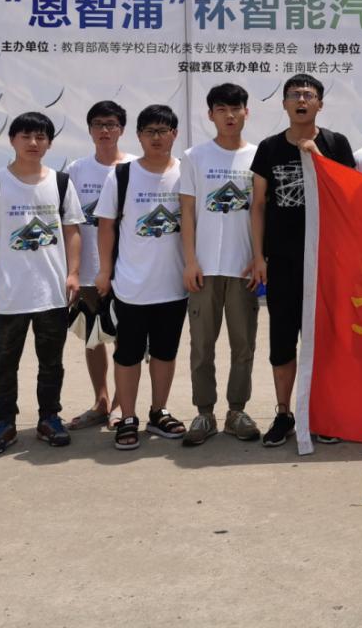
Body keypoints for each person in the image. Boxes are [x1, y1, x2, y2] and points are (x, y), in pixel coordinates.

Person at [246, 75, 355, 447]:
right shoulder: (270, 148)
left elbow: (348, 194)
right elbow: (258, 205)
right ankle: (284, 413)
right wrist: (259, 256)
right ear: (285, 104)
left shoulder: (336, 144)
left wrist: (317, 157)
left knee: (322, 340)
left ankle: (321, 412)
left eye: (309, 95)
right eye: (295, 95)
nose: (302, 100)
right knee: (282, 339)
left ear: (320, 104)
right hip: (282, 260)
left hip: (325, 260)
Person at [0, 112, 83, 455]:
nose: (33, 143)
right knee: (6, 363)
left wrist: (73, 273)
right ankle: (5, 423)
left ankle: (49, 418)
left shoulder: (60, 182)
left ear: (49, 143)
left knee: (52, 363)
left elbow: (72, 231)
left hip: (52, 293)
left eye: (40, 137)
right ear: (12, 140)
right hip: (8, 293)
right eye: (26, 136)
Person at [94, 105, 190, 450]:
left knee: (165, 352)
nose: (157, 138)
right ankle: (128, 416)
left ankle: (158, 411)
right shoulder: (121, 175)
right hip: (130, 285)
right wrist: (105, 271)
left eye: (163, 131)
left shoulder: (186, 172)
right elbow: (106, 226)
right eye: (150, 131)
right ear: (139, 136)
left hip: (174, 286)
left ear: (175, 134)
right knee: (127, 354)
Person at [179, 84, 261, 446]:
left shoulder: (258, 156)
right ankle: (204, 413)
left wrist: (259, 258)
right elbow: (187, 212)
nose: (230, 115)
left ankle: (236, 411)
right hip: (205, 269)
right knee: (202, 346)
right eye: (222, 109)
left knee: (244, 345)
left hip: (243, 269)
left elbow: (261, 211)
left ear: (246, 112)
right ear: (210, 114)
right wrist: (190, 261)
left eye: (236, 108)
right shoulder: (194, 156)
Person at [64, 100, 134, 431]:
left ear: (122, 129)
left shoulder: (134, 166)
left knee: (124, 338)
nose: (105, 131)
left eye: (111, 124)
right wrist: (73, 269)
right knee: (92, 338)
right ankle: (101, 401)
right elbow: (70, 223)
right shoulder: (77, 170)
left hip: (128, 271)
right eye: (98, 125)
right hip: (90, 271)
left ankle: (121, 404)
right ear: (90, 130)